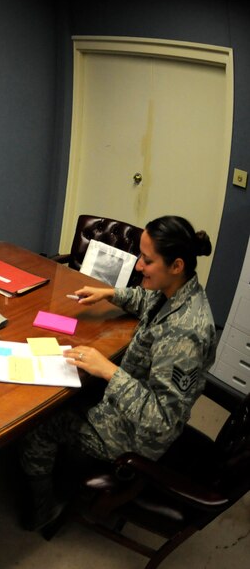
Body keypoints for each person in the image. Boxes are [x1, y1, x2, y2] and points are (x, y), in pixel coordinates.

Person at [19, 215, 216, 531]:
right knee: (69, 385)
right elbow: (146, 299)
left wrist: (109, 370)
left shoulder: (184, 335)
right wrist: (110, 294)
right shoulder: (179, 290)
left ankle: (43, 511)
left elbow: (162, 420)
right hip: (128, 396)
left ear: (176, 265)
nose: (138, 266)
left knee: (39, 427)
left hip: (136, 436)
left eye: (147, 261)